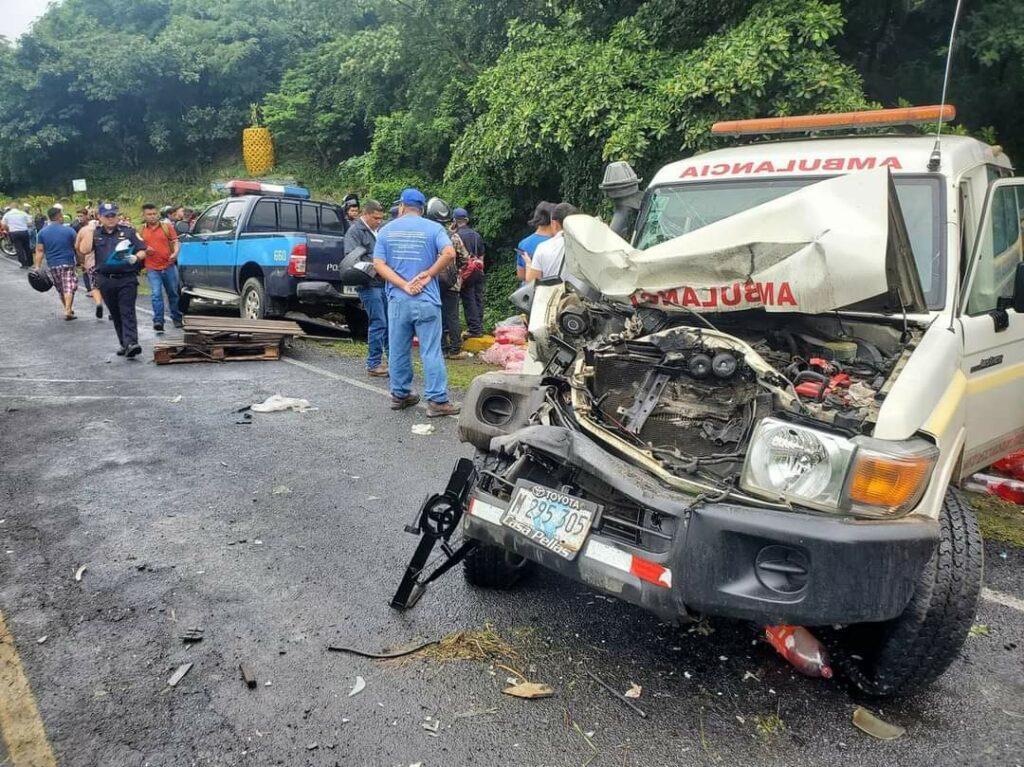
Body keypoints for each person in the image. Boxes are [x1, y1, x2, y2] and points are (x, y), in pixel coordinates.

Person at [372, 188, 460, 417]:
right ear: (422, 209)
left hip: (398, 301)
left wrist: (403, 285)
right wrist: (429, 274)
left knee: (399, 349)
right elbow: (449, 253)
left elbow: (379, 265)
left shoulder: (386, 230)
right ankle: (438, 401)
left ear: (401, 206)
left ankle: (400, 395)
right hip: (427, 300)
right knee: (430, 351)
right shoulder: (434, 228)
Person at [78, 202, 150, 358]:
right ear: (100, 217)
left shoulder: (128, 232)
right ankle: (124, 343)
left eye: (113, 215)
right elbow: (84, 250)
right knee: (115, 313)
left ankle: (131, 342)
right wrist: (90, 230)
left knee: (127, 311)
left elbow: (143, 250)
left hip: (126, 278)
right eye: (107, 216)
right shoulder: (95, 233)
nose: (111, 219)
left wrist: (135, 258)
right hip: (105, 279)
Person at [344, 199, 388, 377]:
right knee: (378, 322)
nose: (379, 221)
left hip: (385, 282)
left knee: (390, 324)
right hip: (368, 283)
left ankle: (393, 362)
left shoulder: (381, 230)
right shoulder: (355, 231)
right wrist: (376, 265)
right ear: (366, 214)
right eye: (376, 218)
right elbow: (352, 259)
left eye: (381, 218)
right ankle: (373, 363)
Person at [426, 200, 469, 360]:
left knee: (436, 314)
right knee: (452, 315)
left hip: (431, 281)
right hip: (452, 282)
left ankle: (442, 348)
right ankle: (455, 349)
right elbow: (465, 259)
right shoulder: (453, 237)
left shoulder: (426, 235)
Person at [140, 202, 182, 332]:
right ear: (144, 215)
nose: (152, 216)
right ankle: (158, 320)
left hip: (168, 265)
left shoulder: (166, 227)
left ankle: (176, 317)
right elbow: (137, 247)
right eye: (149, 214)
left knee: (173, 293)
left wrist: (175, 253)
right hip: (152, 268)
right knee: (156, 294)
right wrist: (145, 250)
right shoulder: (141, 230)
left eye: (154, 214)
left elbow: (175, 241)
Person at [33, 206, 79, 320]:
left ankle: (67, 309)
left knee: (61, 288)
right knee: (68, 286)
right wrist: (81, 261)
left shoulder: (42, 233)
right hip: (67, 262)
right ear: (59, 216)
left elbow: (39, 250)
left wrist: (37, 266)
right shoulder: (69, 230)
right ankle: (68, 309)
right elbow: (77, 247)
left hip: (52, 264)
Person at [451, 208, 486, 338]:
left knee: (468, 298)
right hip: (478, 269)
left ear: (454, 221)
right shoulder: (476, 235)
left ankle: (474, 329)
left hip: (466, 271)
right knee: (478, 298)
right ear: (466, 220)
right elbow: (482, 256)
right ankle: (479, 326)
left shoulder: (456, 236)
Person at [526, 202, 579, 282]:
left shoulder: (542, 248)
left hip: (554, 293)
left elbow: (531, 282)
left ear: (554, 224)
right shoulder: (587, 244)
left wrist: (529, 264)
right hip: (584, 293)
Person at [74, 210, 104, 319]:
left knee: (95, 286)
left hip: (91, 263)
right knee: (108, 286)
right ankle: (112, 310)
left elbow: (77, 247)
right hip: (105, 263)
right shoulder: (106, 228)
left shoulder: (84, 230)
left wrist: (82, 261)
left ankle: (98, 303)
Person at [515, 201, 555, 283]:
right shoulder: (558, 243)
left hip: (529, 291)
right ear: (554, 221)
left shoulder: (523, 243)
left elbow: (521, 275)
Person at [2, 201, 33, 268]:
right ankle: (30, 262)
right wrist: (23, 225)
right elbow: (30, 223)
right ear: (18, 207)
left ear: (11, 207)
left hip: (14, 232)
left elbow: (3, 225)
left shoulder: (7, 214)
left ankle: (24, 264)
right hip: (24, 231)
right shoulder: (23, 213)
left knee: (19, 248)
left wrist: (9, 228)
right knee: (27, 247)